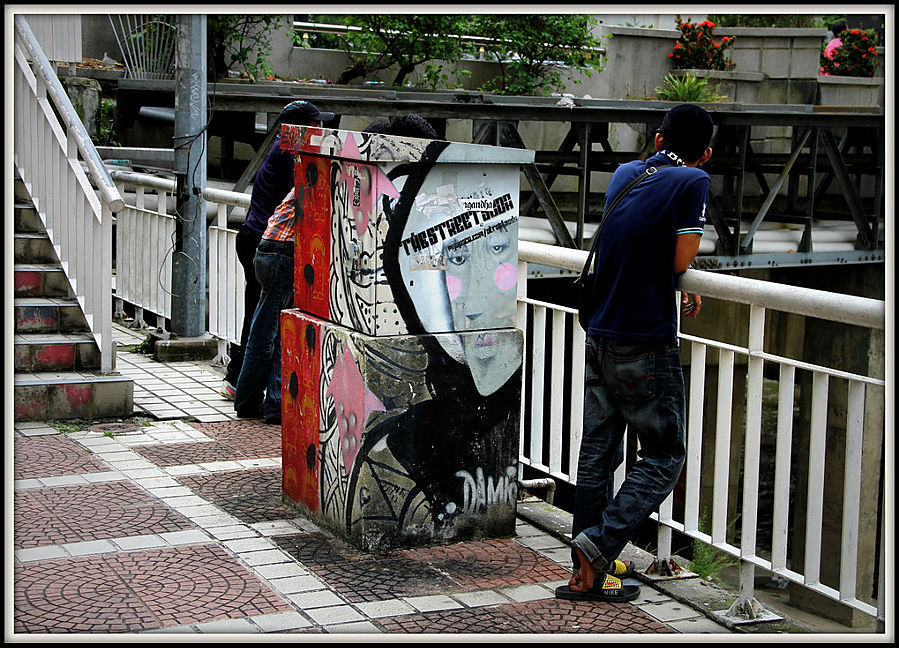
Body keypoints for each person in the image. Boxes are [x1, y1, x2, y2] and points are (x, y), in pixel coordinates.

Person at [555, 104, 712, 603]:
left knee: (597, 451)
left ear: (658, 135)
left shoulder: (625, 173)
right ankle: (599, 546)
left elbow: (629, 243)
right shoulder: (693, 182)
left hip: (601, 331)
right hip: (645, 339)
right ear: (704, 154)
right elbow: (680, 258)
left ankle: (586, 573)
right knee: (666, 453)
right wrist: (686, 280)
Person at [221, 100, 334, 400]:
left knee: (260, 318)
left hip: (255, 239)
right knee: (265, 323)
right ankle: (247, 388)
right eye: (317, 125)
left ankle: (243, 384)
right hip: (269, 244)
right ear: (301, 129)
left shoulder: (279, 150)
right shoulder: (290, 155)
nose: (322, 130)